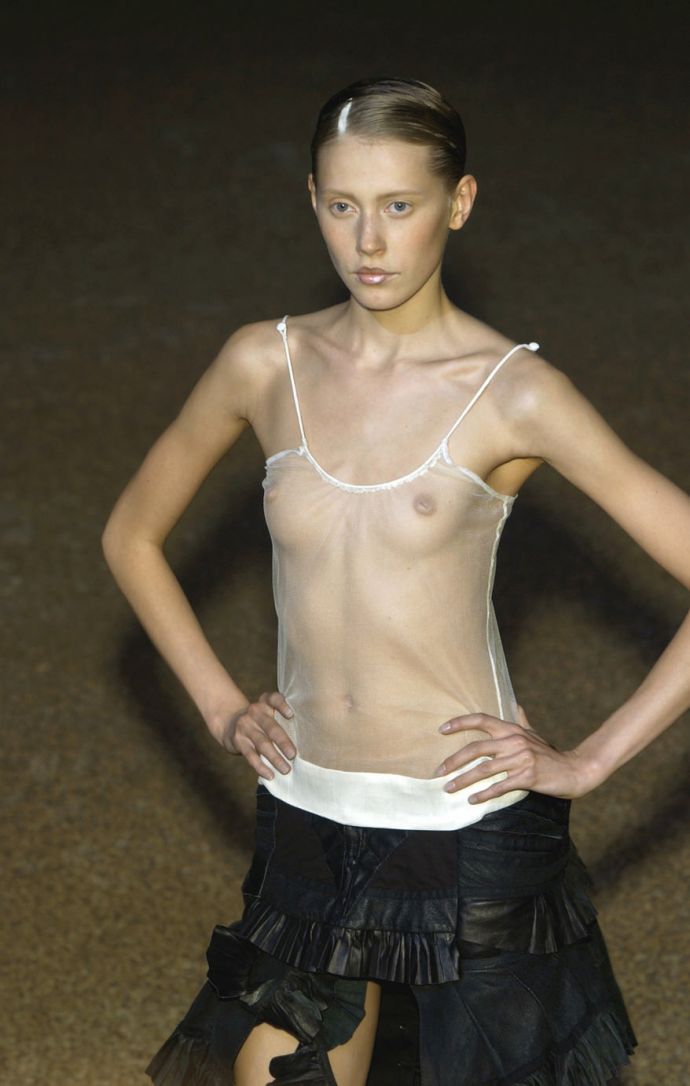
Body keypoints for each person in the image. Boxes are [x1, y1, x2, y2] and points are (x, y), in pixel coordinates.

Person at [102, 77, 690, 1086]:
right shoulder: (263, 363)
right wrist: (220, 705)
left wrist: (590, 760)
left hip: (465, 833)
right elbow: (131, 534)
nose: (368, 241)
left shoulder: (515, 393)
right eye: (342, 205)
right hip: (309, 814)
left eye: (399, 206)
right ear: (311, 200)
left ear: (460, 203)